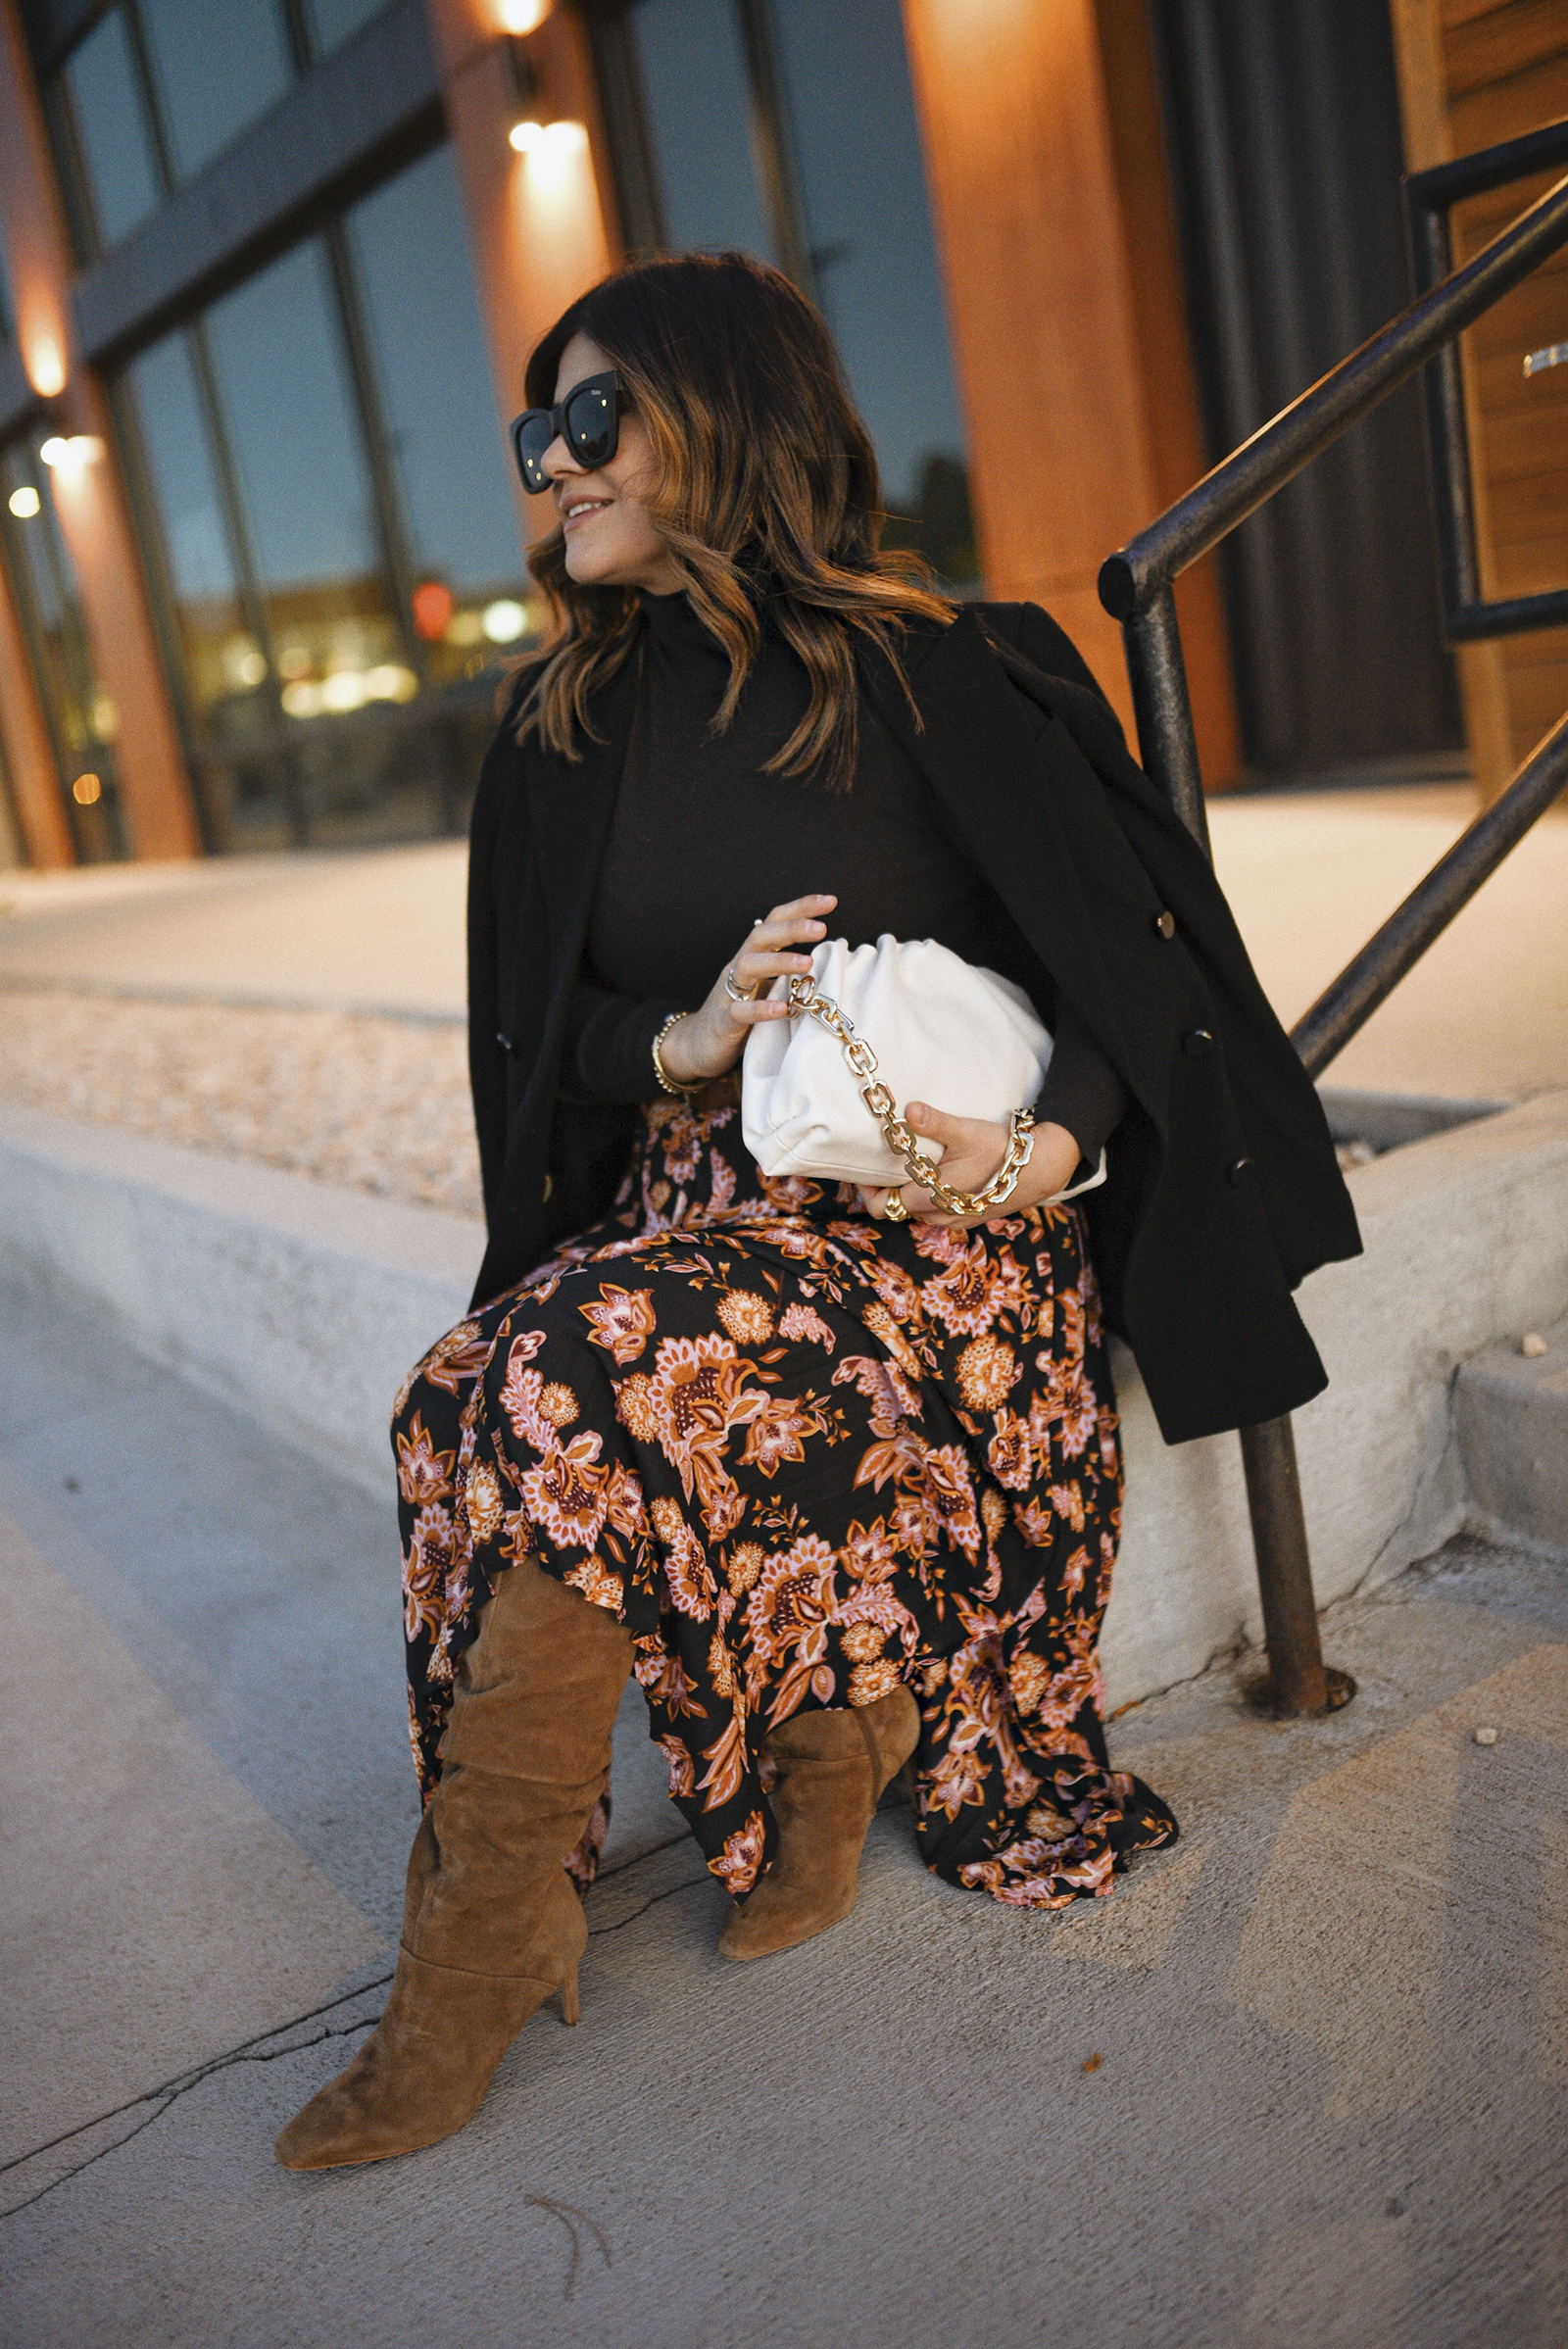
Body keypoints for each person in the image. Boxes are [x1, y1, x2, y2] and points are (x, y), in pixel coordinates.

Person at [275, 252, 1359, 2171]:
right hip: (700, 1231)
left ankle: (523, 1913)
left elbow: (1124, 963)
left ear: (728, 410)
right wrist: (674, 1035)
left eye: (587, 419)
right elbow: (550, 1040)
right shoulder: (554, 732)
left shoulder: (945, 669)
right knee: (473, 1386)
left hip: (937, 1248)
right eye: (536, 435)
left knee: (544, 1378)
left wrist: (1055, 1152)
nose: (549, 468)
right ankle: (602, 1854)